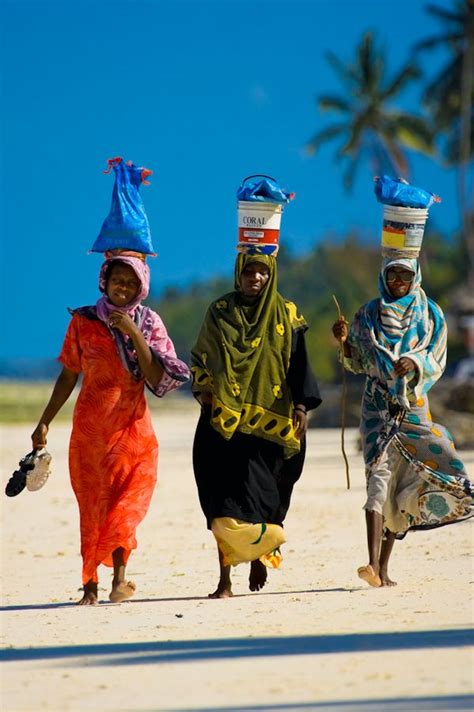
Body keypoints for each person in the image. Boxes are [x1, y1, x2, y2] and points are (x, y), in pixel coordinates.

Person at [31, 253, 190, 605]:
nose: (124, 286)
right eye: (118, 279)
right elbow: (69, 375)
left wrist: (132, 332)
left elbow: (155, 376)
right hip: (89, 433)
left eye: (132, 282)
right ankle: (90, 584)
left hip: (133, 432)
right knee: (92, 507)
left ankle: (119, 579)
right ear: (104, 279)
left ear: (142, 287)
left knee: (125, 506)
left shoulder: (149, 323)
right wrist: (44, 421)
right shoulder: (83, 322)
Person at [332, 258, 473, 587]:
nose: (397, 280)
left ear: (415, 276)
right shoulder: (367, 314)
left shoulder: (431, 314)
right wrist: (345, 343)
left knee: (404, 485)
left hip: (413, 410)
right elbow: (358, 362)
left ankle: (383, 568)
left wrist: (414, 362)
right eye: (392, 273)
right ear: (383, 276)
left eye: (404, 274)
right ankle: (370, 564)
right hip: (376, 409)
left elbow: (436, 358)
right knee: (377, 480)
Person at [191, 253, 321, 598]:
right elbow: (201, 356)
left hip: (271, 426)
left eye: (263, 271)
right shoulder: (220, 312)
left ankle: (261, 554)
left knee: (266, 502)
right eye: (249, 271)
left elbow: (300, 363)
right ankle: (224, 581)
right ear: (238, 274)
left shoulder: (287, 314)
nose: (255, 277)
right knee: (222, 502)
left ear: (272, 275)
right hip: (225, 425)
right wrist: (204, 392)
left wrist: (302, 405)